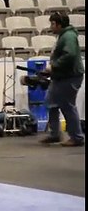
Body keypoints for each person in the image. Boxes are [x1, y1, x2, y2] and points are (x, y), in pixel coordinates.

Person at [39, 12, 85, 147]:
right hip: (60, 77)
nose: (51, 26)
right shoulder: (63, 35)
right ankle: (55, 134)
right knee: (50, 102)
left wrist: (54, 65)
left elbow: (69, 55)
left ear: (59, 24)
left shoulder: (68, 36)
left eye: (52, 23)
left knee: (68, 106)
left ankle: (77, 137)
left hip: (70, 77)